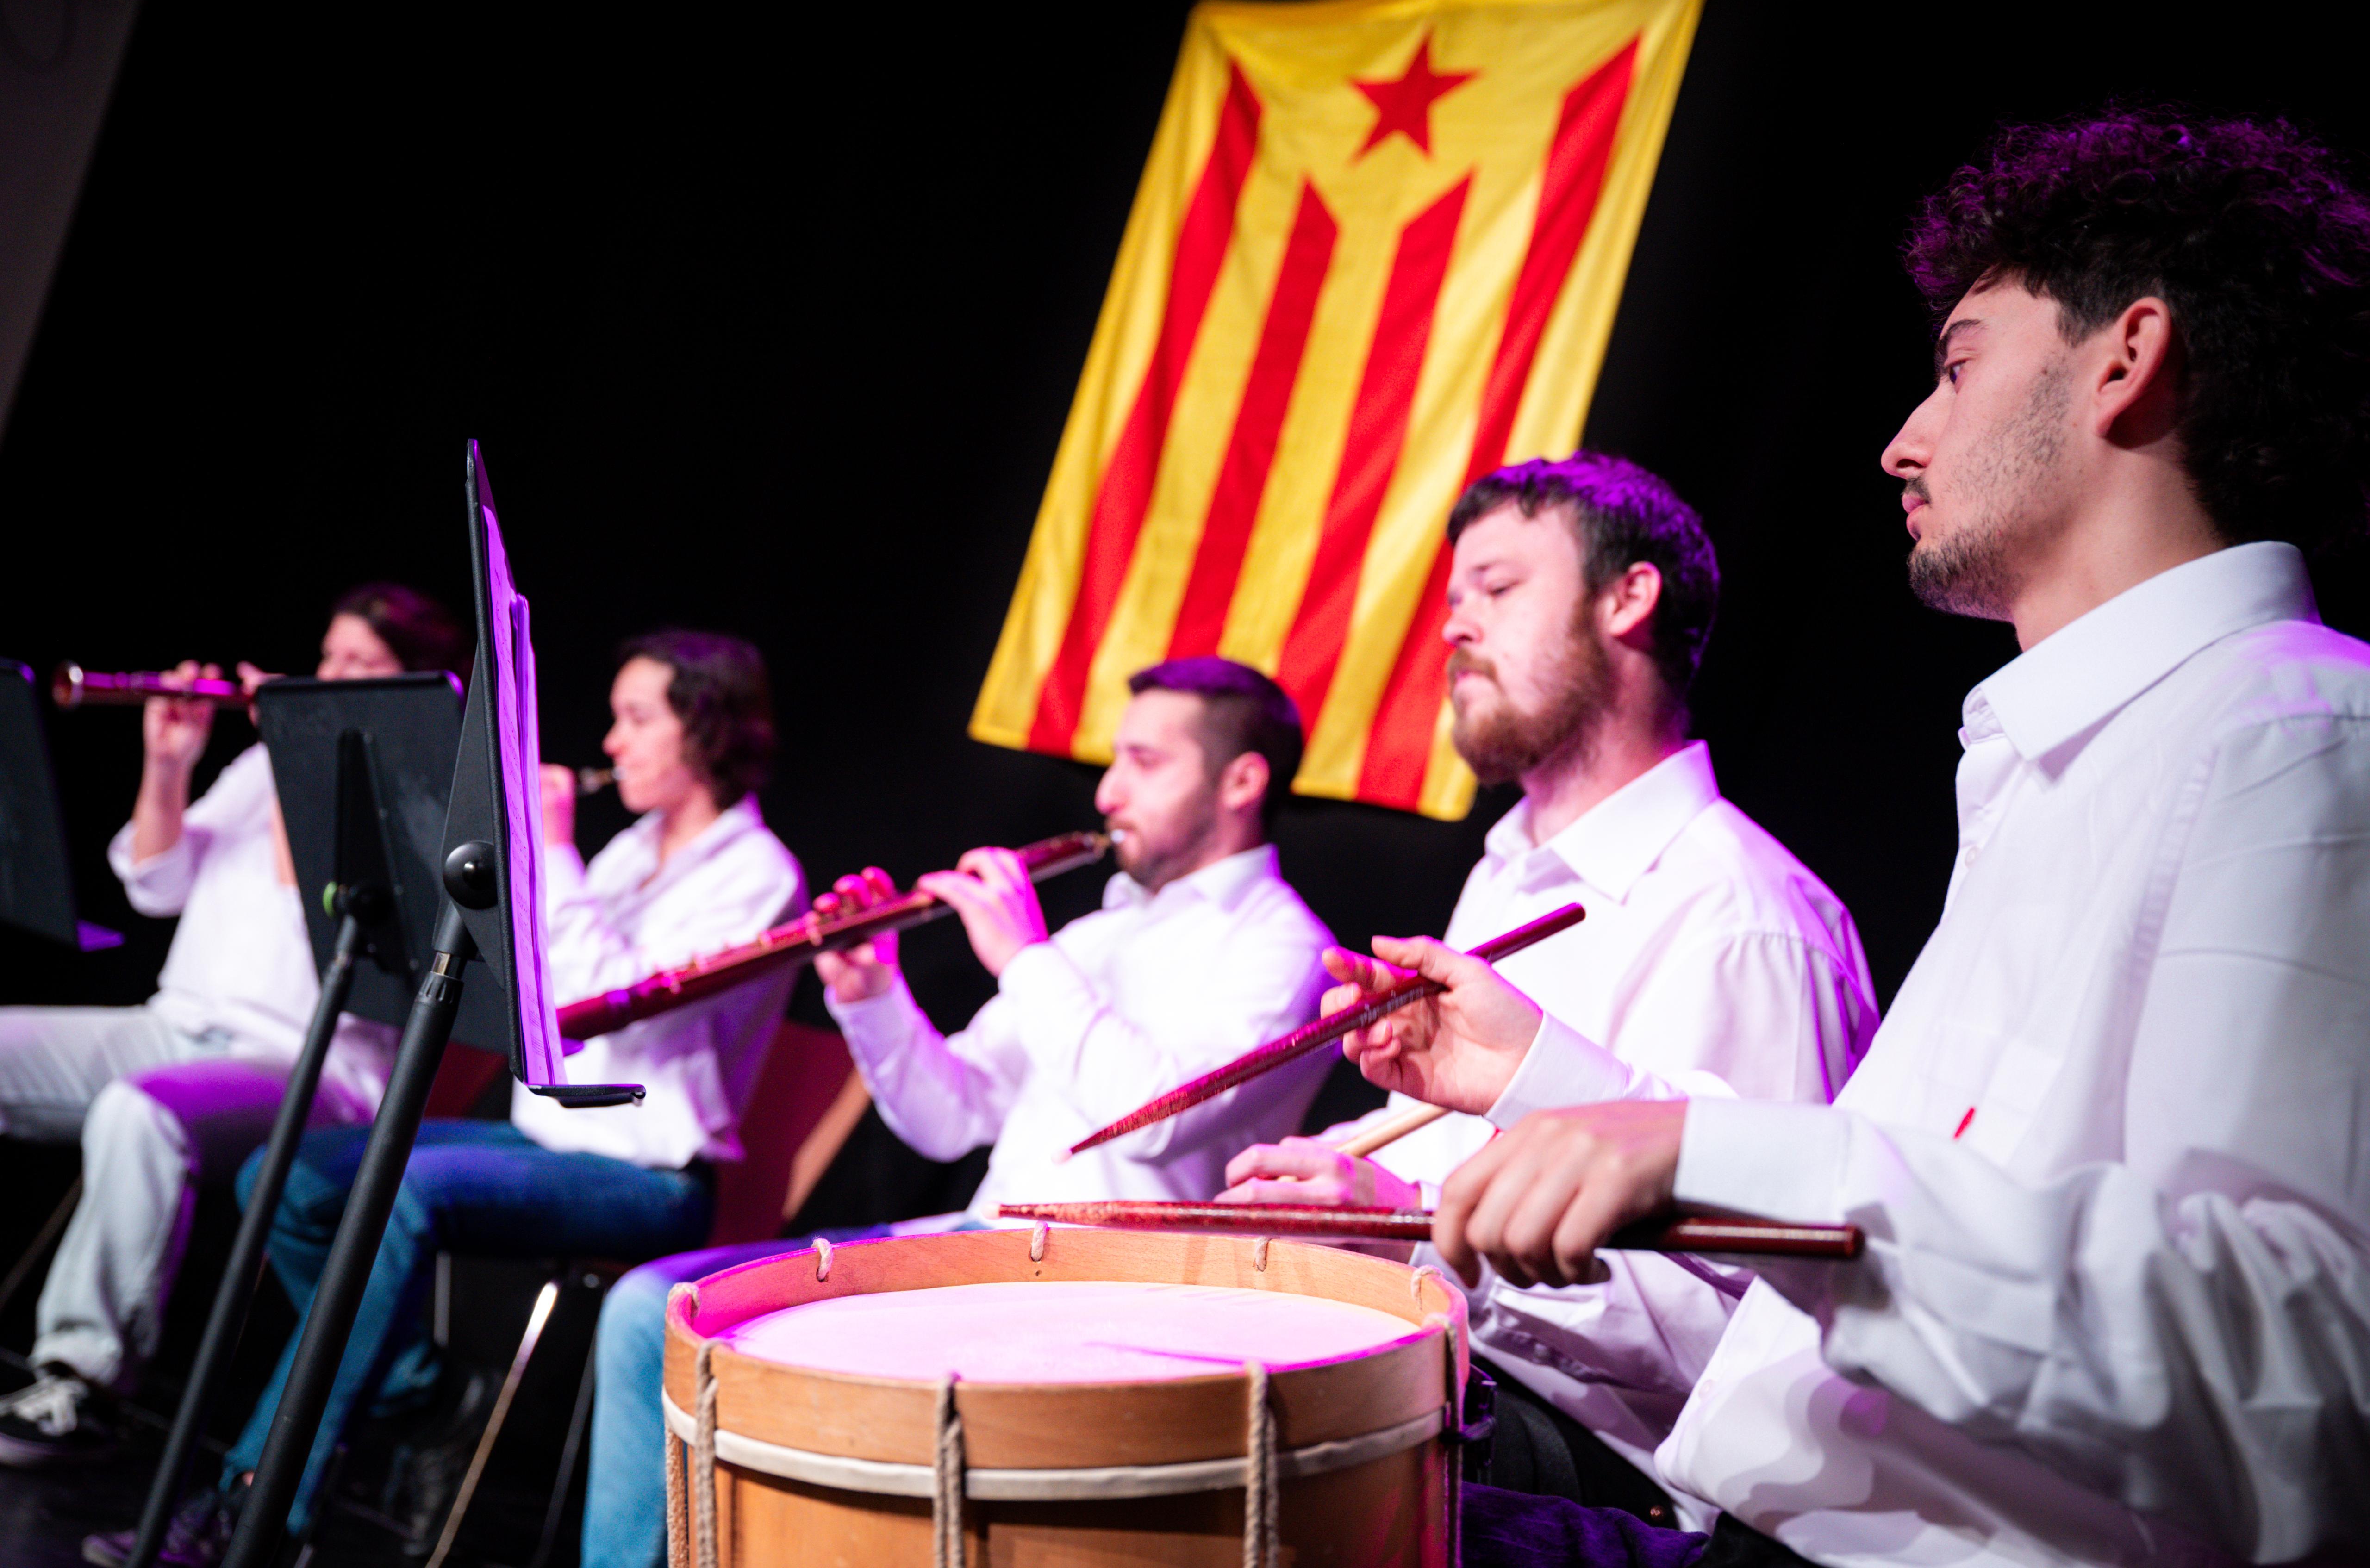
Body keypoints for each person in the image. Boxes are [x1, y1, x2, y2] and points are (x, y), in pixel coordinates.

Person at [1343, 109, 2370, 1568]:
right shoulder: (2070, 762)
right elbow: (1914, 1216)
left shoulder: (2303, 739)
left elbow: (2301, 1370)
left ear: (2127, 360)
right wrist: (1547, 1084)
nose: (1903, 439)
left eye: (1957, 367)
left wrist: (1716, 1159)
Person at [1220, 454, 1878, 1527]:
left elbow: (1764, 1333)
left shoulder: (1746, 917)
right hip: (1458, 1384)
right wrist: (1341, 1187)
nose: (1452, 627)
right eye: (1450, 600)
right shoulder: (1505, 871)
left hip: (1623, 1479)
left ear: (1628, 597)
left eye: (1498, 586)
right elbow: (1429, 1182)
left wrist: (1416, 1232)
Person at [578, 655, 1338, 1568]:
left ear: (1241, 780)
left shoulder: (1287, 947)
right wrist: (872, 991)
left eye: (1143, 760)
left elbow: (1158, 1116)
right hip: (979, 1247)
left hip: (1108, 1288)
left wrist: (1021, 951)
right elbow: (950, 1115)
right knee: (651, 1309)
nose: (1108, 789)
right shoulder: (1099, 932)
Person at [81, 629, 805, 1565]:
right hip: (544, 1133)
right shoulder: (630, 850)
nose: (613, 742)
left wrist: (550, 853)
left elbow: (603, 1012)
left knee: (402, 1195)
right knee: (284, 1172)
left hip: (649, 1168)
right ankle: (422, 1390)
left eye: (637, 719)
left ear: (704, 731)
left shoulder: (760, 873)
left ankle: (258, 1503)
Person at [0, 584, 469, 1467]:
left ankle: (84, 1378)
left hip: (304, 1068)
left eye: (359, 665)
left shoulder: (421, 790)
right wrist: (168, 763)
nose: (329, 675)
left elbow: (329, 915)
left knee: (138, 1113)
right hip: (173, 1026)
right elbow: (155, 884)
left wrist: (301, 756)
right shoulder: (258, 769)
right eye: (327, 655)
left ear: (411, 686)